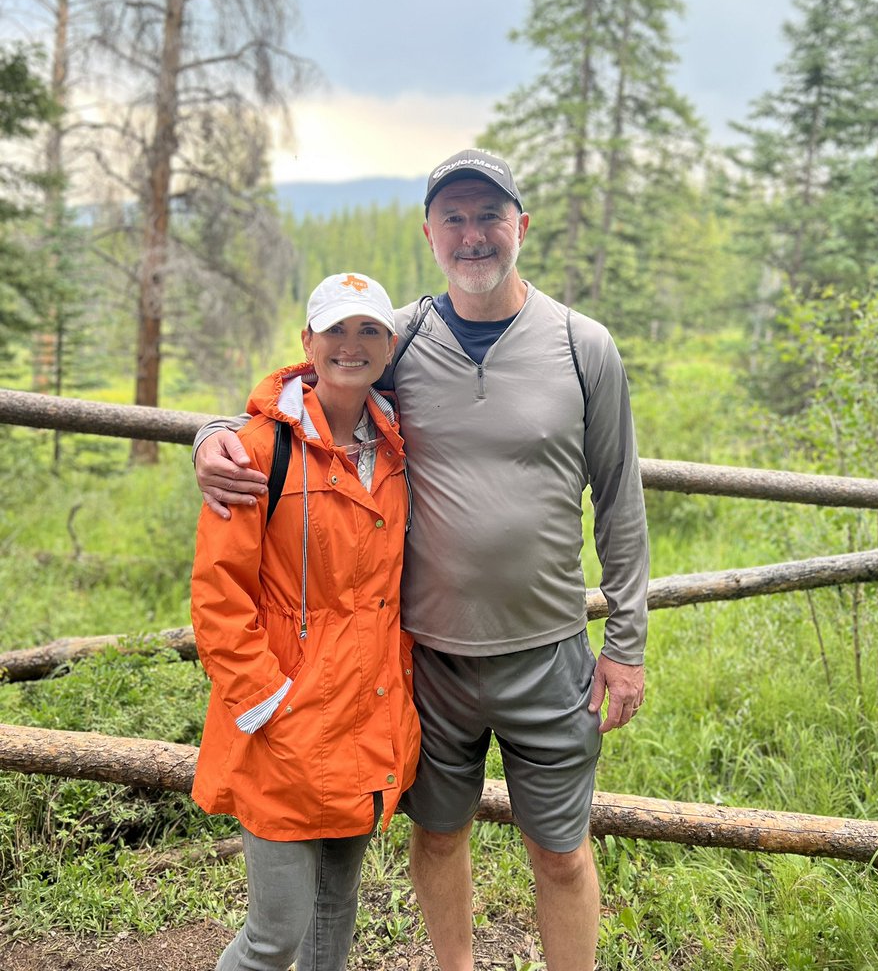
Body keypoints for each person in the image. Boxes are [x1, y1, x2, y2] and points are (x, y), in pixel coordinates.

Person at [194, 150, 650, 971]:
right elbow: (309, 385)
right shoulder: (400, 335)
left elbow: (619, 500)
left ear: (522, 226)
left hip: (549, 652)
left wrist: (626, 646)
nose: (473, 236)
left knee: (562, 852)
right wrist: (212, 436)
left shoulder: (586, 348)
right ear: (432, 235)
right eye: (455, 219)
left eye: (489, 216)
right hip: (425, 659)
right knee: (438, 839)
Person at [190, 271, 420, 971]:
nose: (351, 345)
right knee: (275, 936)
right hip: (286, 730)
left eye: (369, 331)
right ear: (307, 343)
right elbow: (218, 597)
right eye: (336, 330)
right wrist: (269, 704)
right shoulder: (260, 452)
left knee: (333, 918)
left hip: (367, 718)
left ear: (389, 346)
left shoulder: (401, 441)